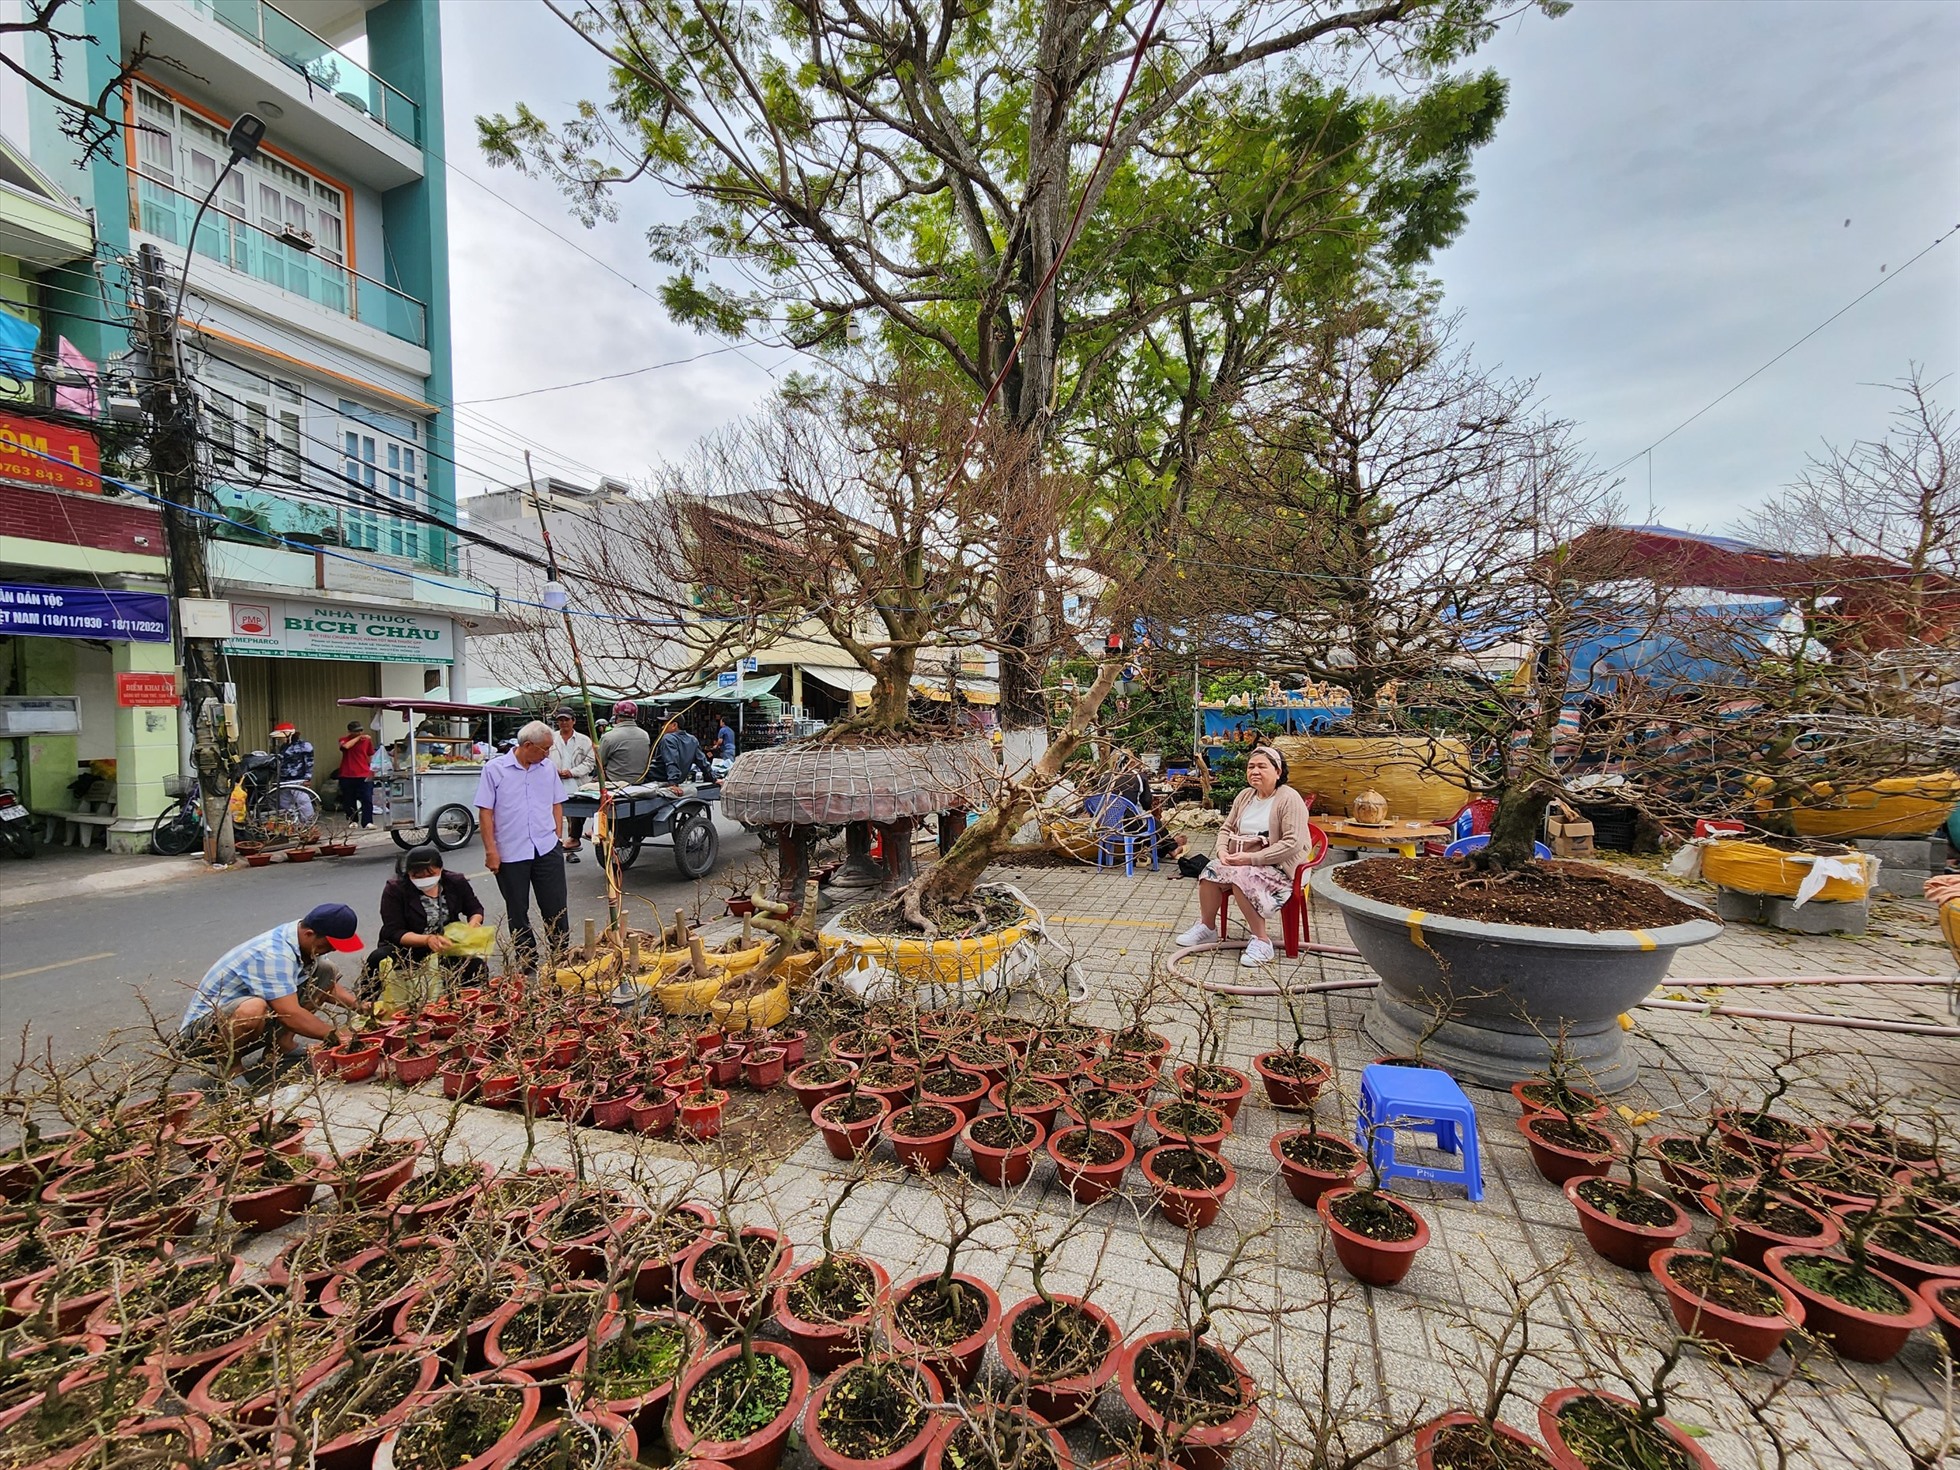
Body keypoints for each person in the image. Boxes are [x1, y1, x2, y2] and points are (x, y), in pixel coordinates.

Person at [177, 903, 369, 1072]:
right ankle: (231, 1069)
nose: (333, 949)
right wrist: (335, 1034)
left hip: (249, 1017)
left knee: (325, 969)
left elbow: (328, 987)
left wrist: (362, 1007)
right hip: (202, 1036)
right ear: (309, 934)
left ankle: (281, 1046)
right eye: (329, 945)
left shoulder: (303, 939)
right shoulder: (274, 954)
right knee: (253, 1008)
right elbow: (290, 1013)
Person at [1175, 745, 1311, 967]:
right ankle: (1207, 927)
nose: (1254, 771)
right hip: (1242, 861)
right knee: (1210, 871)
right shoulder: (1245, 796)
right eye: (1251, 767)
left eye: (1262, 767)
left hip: (1281, 869)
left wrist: (1250, 859)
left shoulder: (1289, 798)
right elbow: (1225, 829)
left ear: (1278, 771)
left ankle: (1261, 940)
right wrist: (1221, 852)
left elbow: (1292, 843)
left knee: (1241, 877)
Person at [474, 719, 569, 971]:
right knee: (518, 909)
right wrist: (491, 850)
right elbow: (485, 812)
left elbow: (556, 802)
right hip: (510, 851)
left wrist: (557, 835)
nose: (547, 754)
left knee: (556, 905)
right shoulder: (495, 770)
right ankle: (527, 960)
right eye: (544, 749)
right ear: (528, 745)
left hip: (546, 846)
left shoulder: (547, 768)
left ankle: (561, 955)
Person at [367, 844, 488, 993]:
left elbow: (474, 909)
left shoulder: (455, 882)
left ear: (441, 869)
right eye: (417, 876)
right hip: (408, 948)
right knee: (378, 958)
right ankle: (367, 1005)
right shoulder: (396, 889)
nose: (424, 879)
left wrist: (473, 924)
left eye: (430, 874)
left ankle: (465, 1002)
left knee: (475, 966)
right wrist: (427, 940)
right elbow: (394, 931)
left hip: (446, 944)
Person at [549, 707, 597, 862]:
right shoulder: (551, 738)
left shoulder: (584, 740)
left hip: (576, 782)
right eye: (560, 720)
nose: (563, 723)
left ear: (573, 721)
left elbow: (590, 763)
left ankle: (570, 848)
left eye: (566, 720)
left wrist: (571, 772)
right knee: (552, 817)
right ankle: (554, 848)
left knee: (574, 817)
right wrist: (553, 771)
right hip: (554, 781)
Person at [598, 700, 652, 785]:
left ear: (616, 716)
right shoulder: (645, 735)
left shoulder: (609, 736)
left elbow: (599, 762)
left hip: (614, 782)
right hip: (640, 781)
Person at [336, 721, 376, 829]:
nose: (360, 733)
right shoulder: (343, 739)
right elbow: (346, 747)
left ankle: (367, 821)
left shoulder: (366, 741)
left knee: (367, 798)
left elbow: (370, 754)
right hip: (347, 774)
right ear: (350, 732)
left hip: (363, 773)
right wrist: (358, 738)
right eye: (356, 731)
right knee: (349, 799)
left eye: (361, 731)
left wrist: (372, 768)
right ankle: (352, 820)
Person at [653, 716, 713, 787]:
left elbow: (671, 761)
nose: (662, 727)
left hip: (658, 778)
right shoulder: (693, 740)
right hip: (677, 780)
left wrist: (673, 782)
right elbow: (703, 763)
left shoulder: (668, 738)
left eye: (665, 724)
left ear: (674, 725)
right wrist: (713, 778)